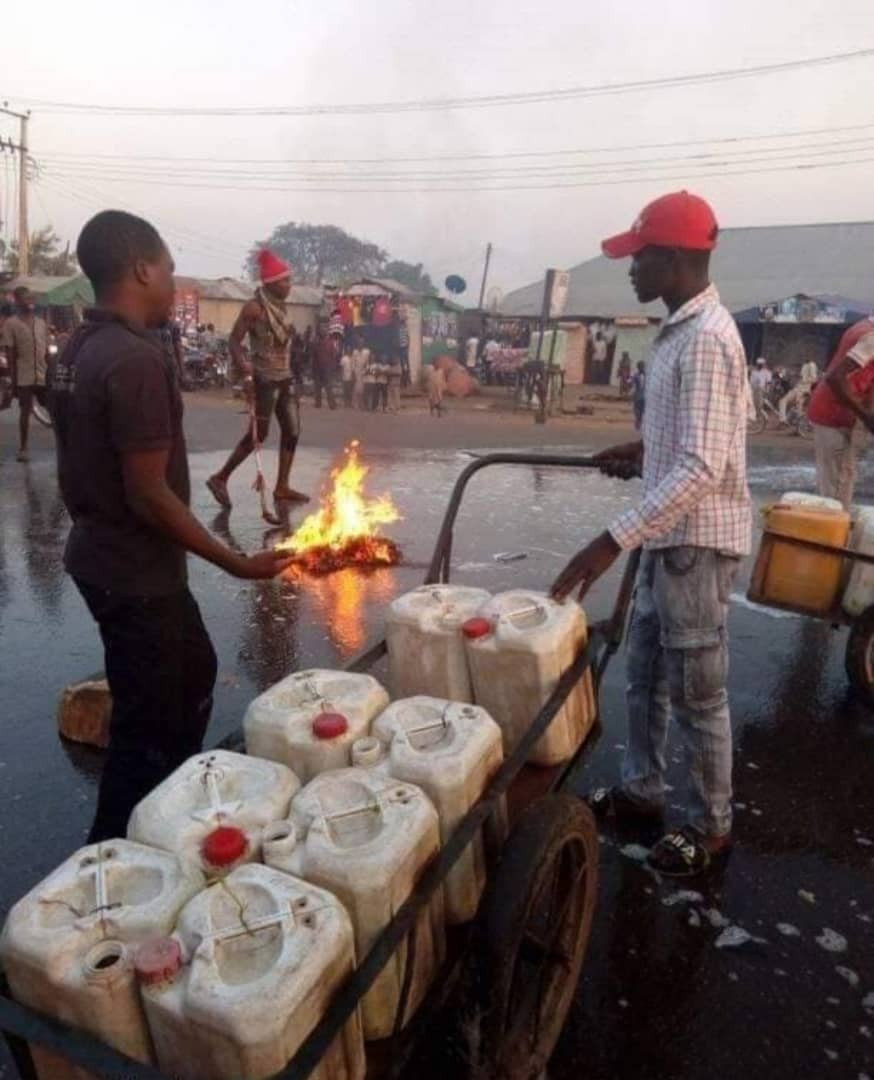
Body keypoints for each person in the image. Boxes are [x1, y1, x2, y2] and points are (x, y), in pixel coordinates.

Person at [52, 210, 293, 842]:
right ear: (141, 269)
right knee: (145, 732)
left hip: (102, 558)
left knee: (193, 672)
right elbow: (148, 494)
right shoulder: (135, 358)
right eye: (166, 268)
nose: (170, 280)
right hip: (135, 573)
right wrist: (239, 564)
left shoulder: (79, 346)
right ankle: (113, 857)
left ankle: (175, 809)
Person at [551, 191, 751, 878]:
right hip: (671, 535)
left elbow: (703, 463)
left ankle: (709, 825)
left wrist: (611, 540)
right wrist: (640, 448)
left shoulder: (707, 339)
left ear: (672, 258)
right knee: (644, 675)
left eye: (639, 257)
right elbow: (690, 440)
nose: (631, 269)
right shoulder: (680, 333)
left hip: (694, 542)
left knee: (698, 689)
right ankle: (643, 790)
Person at [207, 249, 308, 509]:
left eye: (289, 280)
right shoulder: (255, 308)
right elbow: (234, 341)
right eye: (285, 281)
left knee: (293, 431)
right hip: (264, 380)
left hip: (285, 378)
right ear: (272, 283)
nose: (289, 285)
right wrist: (246, 370)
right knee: (258, 435)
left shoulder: (282, 308)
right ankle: (220, 477)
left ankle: (282, 487)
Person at [807, 317, 874, 507]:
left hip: (841, 413)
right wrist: (865, 415)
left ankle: (838, 528)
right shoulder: (871, 337)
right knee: (834, 490)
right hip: (832, 414)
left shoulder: (863, 325)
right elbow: (836, 378)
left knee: (845, 477)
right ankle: (831, 532)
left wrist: (867, 415)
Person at [1, 286, 51, 462]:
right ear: (17, 301)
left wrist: (50, 371)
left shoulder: (41, 323)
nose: (30, 302)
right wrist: (13, 382)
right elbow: (11, 354)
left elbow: (46, 351)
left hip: (43, 373)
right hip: (24, 375)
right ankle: (23, 448)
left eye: (31, 298)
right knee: (24, 411)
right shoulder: (11, 324)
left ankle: (64, 444)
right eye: (25, 299)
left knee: (54, 407)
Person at [778, 358, 818, 423]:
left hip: (803, 390)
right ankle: (783, 420)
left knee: (798, 408)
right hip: (797, 389)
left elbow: (814, 379)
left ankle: (803, 426)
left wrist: (804, 381)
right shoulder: (805, 365)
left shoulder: (812, 365)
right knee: (783, 402)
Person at [313, 329, 339, 410]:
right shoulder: (317, 343)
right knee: (318, 387)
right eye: (321, 332)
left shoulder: (330, 343)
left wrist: (333, 367)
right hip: (319, 368)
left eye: (324, 332)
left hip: (327, 368)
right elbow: (314, 357)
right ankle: (318, 403)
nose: (322, 333)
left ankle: (332, 404)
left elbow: (334, 354)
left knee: (328, 387)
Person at [631, 360, 646, 430]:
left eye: (643, 366)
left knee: (643, 411)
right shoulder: (636, 375)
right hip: (637, 396)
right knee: (637, 410)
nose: (642, 368)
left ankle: (640, 423)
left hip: (645, 396)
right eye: (641, 366)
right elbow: (632, 384)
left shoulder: (647, 375)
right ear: (638, 367)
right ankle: (637, 422)